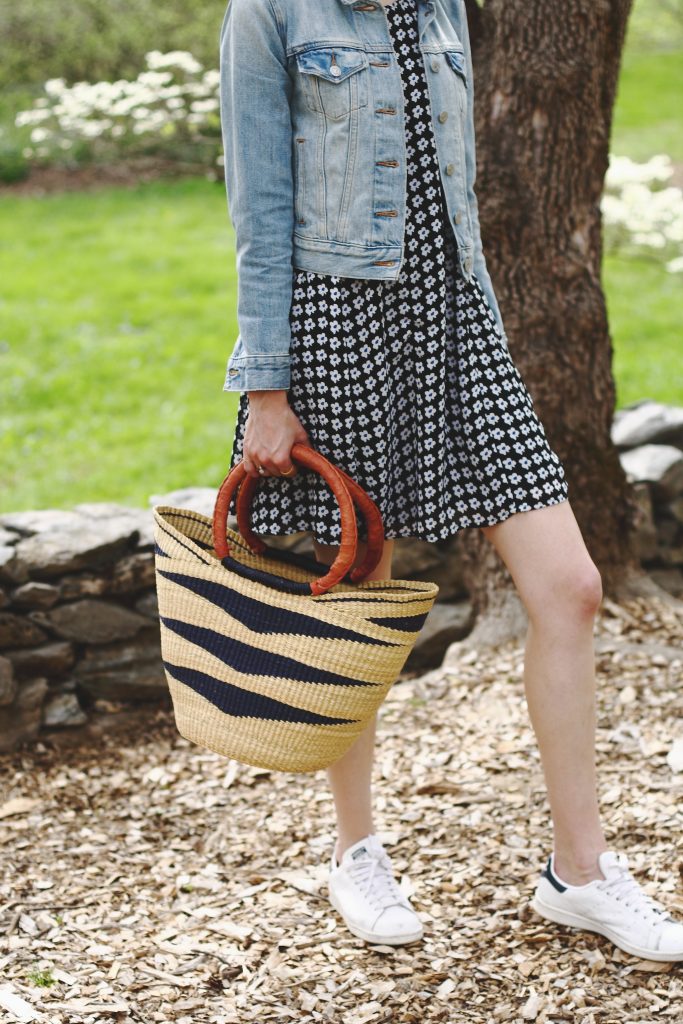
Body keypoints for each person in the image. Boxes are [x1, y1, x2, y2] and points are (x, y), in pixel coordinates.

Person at [218, 0, 683, 959]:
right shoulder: (270, 10)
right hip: (336, 324)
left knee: (570, 587)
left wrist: (475, 317)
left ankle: (579, 873)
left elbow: (449, 189)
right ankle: (356, 853)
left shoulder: (439, 7)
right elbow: (258, 205)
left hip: (458, 326)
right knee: (355, 589)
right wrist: (266, 386)